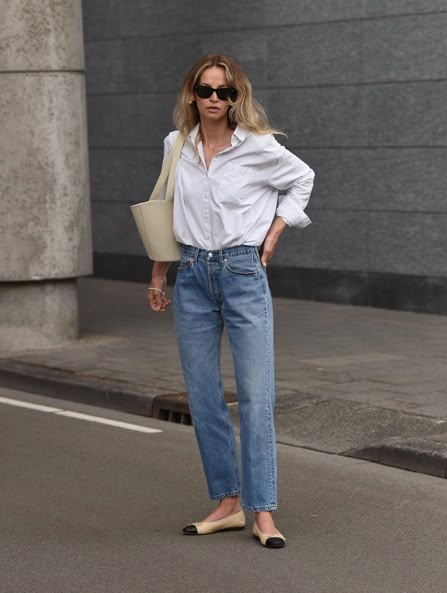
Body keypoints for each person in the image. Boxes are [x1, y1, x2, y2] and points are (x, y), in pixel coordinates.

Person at [148, 54, 314, 548]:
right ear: (191, 94)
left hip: (243, 271)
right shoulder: (176, 145)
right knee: (202, 395)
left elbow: (303, 178)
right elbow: (167, 207)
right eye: (206, 90)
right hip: (193, 274)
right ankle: (227, 503)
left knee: (256, 395)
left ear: (238, 97)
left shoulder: (259, 147)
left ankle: (263, 512)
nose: (215, 99)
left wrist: (276, 232)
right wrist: (160, 275)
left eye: (225, 92)